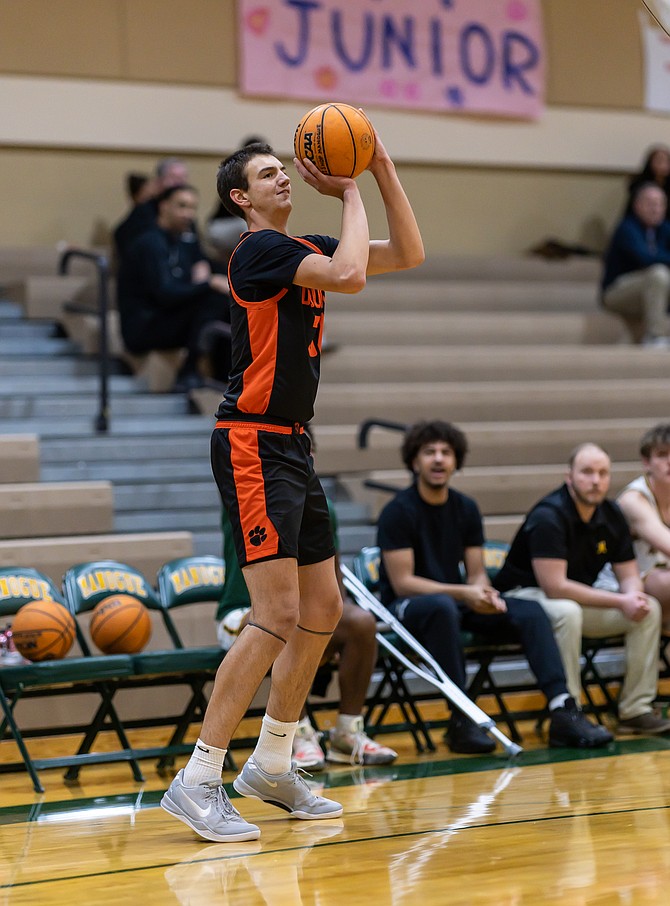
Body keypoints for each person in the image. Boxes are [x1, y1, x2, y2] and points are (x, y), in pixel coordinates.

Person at [160, 133, 424, 843]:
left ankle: (273, 762)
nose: (283, 179)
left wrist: (382, 168)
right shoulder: (257, 251)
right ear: (242, 197)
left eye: (284, 170)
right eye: (268, 174)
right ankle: (198, 778)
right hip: (251, 441)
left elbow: (405, 253)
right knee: (275, 613)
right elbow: (352, 274)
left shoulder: (298, 248)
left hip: (292, 444)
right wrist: (347, 192)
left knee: (323, 607)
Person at [376, 420, 612, 755]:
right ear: (414, 461)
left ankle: (563, 708)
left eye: (446, 452)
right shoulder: (398, 511)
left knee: (530, 611)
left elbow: (476, 572)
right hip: (408, 606)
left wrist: (483, 593)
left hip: (454, 600)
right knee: (442, 608)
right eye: (430, 452)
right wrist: (464, 593)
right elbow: (404, 583)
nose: (439, 459)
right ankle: (462, 718)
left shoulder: (466, 508)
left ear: (457, 461)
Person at [493, 442, 670, 737]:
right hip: (521, 598)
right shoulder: (549, 515)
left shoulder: (611, 515)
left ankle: (636, 709)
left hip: (571, 598)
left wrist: (633, 596)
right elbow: (555, 587)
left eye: (603, 473)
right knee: (567, 611)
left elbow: (628, 575)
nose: (596, 480)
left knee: (648, 608)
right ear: (569, 476)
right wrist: (620, 599)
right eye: (587, 472)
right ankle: (570, 712)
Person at [217, 498, 398, 771]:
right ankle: (295, 735)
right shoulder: (252, 493)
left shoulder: (323, 503)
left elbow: (329, 567)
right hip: (246, 610)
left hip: (298, 609)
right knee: (282, 621)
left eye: (309, 451)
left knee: (360, 623)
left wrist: (332, 620)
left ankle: (348, 734)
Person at [116, 184, 232, 391]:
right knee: (213, 298)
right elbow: (165, 293)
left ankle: (227, 379)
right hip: (143, 327)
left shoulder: (180, 243)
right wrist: (208, 284)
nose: (188, 214)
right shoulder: (150, 243)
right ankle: (189, 371)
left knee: (228, 304)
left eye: (192, 208)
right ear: (163, 207)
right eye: (182, 206)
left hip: (165, 318)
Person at [601, 182, 670, 346]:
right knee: (658, 274)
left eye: (660, 204)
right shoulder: (626, 228)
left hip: (652, 291)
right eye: (651, 204)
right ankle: (655, 336)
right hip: (618, 290)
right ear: (637, 205)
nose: (656, 209)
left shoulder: (665, 229)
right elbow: (644, 258)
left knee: (660, 275)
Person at [617, 423, 670, 629]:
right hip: (627, 586)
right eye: (662, 455)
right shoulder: (634, 498)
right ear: (646, 462)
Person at [113, 156, 190, 261]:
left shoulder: (188, 214)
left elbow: (196, 251)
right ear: (159, 181)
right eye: (173, 177)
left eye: (182, 178)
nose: (178, 184)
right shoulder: (143, 213)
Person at [625, 144, 670, 214]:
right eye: (659, 161)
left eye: (666, 161)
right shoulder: (639, 183)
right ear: (650, 162)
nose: (663, 165)